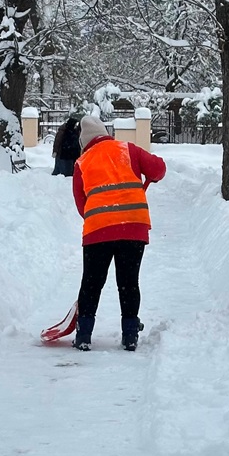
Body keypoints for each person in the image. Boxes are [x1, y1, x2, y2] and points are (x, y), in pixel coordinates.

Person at [72, 115, 166, 352]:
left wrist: (100, 216)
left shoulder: (82, 162)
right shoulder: (128, 149)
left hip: (98, 230)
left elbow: (81, 202)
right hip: (134, 226)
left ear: (84, 141)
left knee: (91, 283)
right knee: (128, 282)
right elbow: (158, 169)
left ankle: (83, 335)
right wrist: (149, 177)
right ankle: (130, 335)